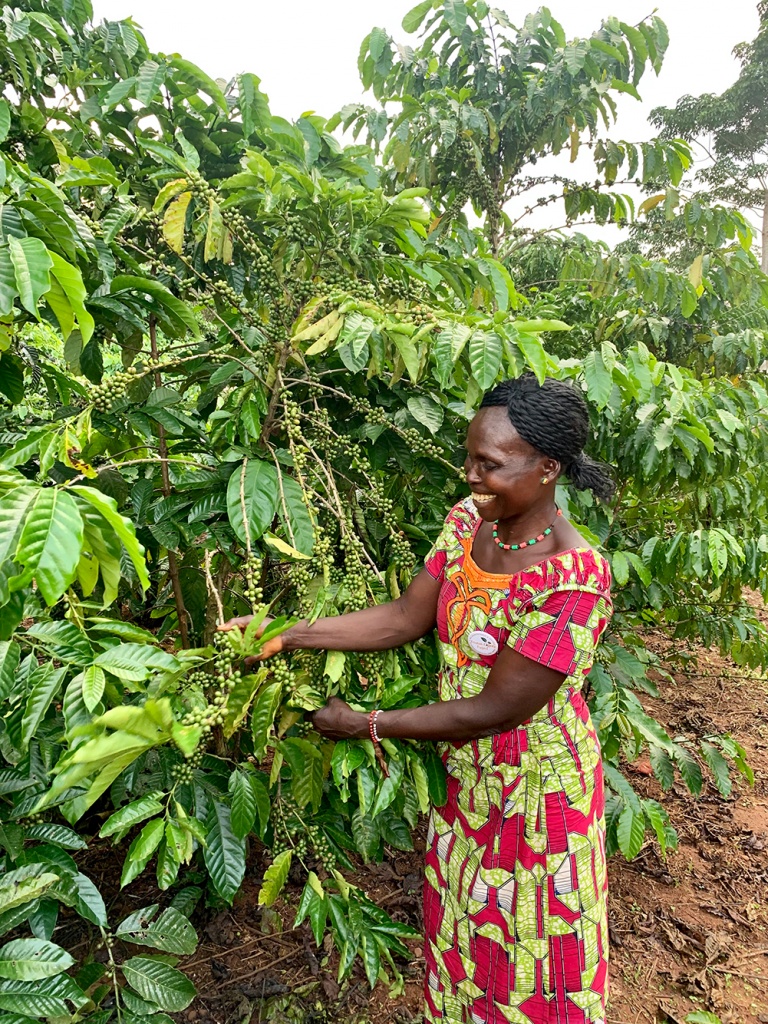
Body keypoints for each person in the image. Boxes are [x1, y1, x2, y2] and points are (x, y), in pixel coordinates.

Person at [221, 374, 615, 1024]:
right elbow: (405, 616)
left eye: (489, 465)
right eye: (469, 459)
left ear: (547, 469)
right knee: (464, 933)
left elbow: (496, 709)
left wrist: (365, 724)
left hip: (536, 800)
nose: (471, 476)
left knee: (531, 956)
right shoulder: (468, 523)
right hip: (464, 782)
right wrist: (283, 635)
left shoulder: (573, 578)